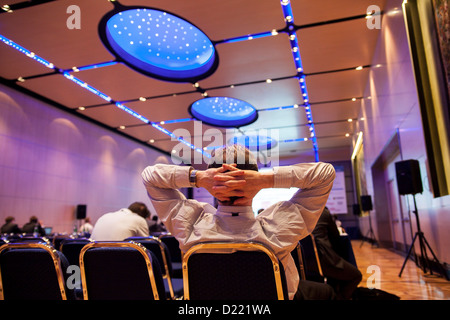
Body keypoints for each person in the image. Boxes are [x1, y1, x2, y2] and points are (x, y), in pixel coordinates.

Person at [142, 144, 336, 300]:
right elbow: (325, 173)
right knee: (325, 292)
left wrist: (198, 178)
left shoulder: (190, 226)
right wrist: (265, 180)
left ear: (212, 184)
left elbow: (150, 177)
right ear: (255, 180)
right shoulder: (279, 227)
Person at [312, 207, 362, 300]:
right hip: (324, 258)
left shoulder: (299, 212)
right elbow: (335, 236)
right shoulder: (322, 211)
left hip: (307, 263)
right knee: (356, 276)